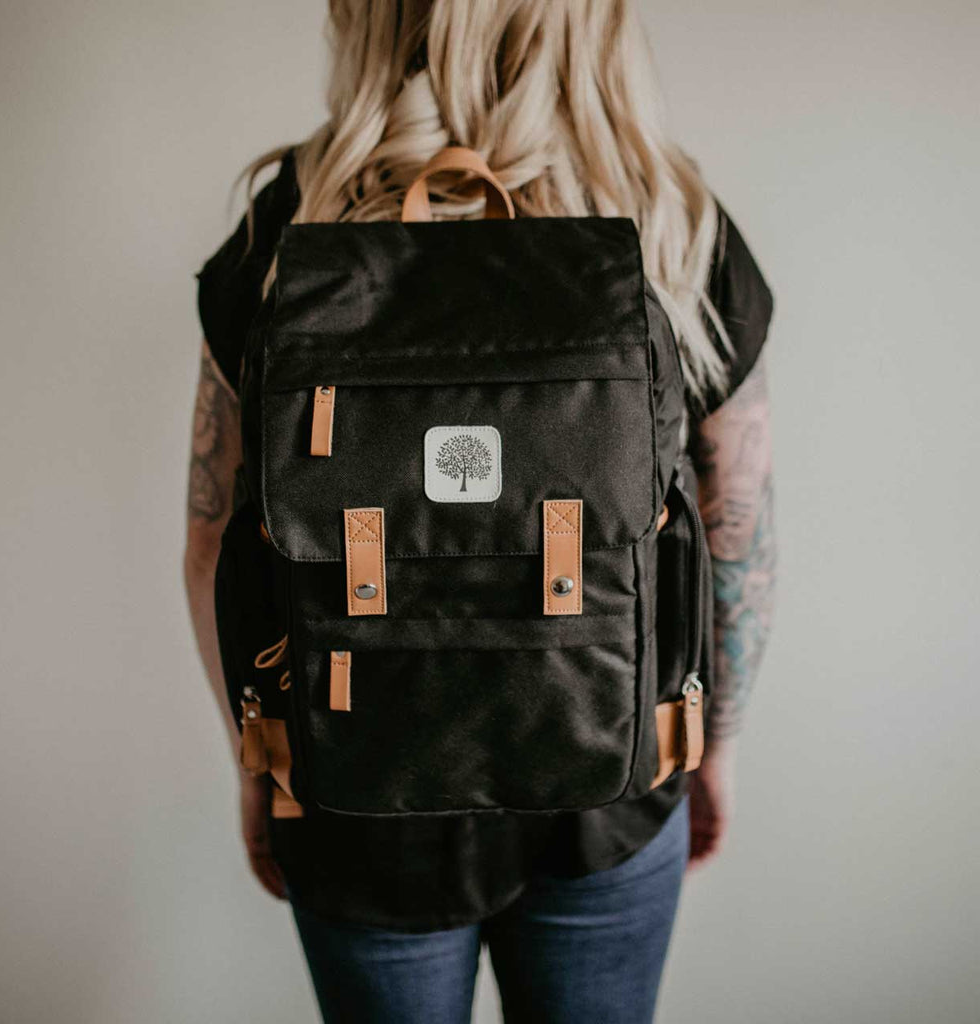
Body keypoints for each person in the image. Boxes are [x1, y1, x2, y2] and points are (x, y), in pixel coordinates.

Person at [184, 3, 777, 1021]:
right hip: (614, 775)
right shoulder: (670, 223)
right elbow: (737, 532)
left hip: (355, 789)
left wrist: (260, 759)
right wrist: (711, 745)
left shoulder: (286, 232)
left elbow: (213, 544)